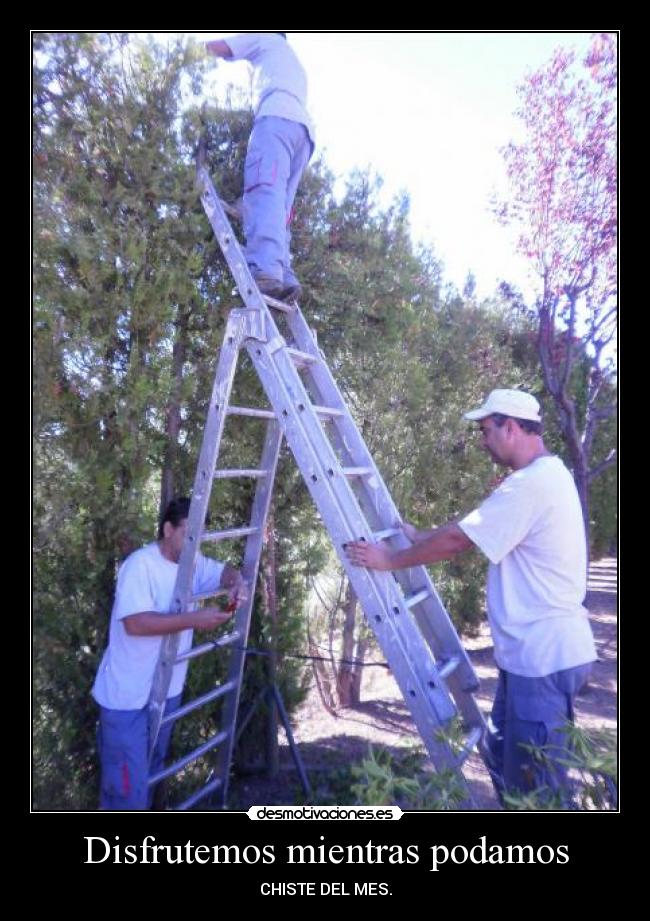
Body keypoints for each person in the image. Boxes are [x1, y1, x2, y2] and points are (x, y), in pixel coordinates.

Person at [345, 389, 597, 807]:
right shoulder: (546, 476)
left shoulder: (531, 485)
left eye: (486, 430)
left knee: (539, 793)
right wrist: (422, 536)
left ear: (511, 427)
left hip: (542, 660)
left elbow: (460, 540)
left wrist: (390, 560)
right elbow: (475, 525)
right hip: (535, 658)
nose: (482, 441)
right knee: (512, 772)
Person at [92, 496, 248, 810]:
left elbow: (224, 572)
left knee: (147, 779)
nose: (195, 542)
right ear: (167, 529)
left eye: (200, 535)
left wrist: (237, 583)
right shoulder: (140, 565)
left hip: (165, 694)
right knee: (126, 795)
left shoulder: (192, 563)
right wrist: (194, 619)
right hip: (127, 700)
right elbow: (134, 624)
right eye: (189, 533)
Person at [205, 32, 315, 301]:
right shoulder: (294, 62)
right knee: (280, 207)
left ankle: (266, 270)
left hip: (275, 119)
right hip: (303, 133)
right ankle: (284, 274)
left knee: (264, 190)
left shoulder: (265, 37)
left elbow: (220, 47)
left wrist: (185, 51)